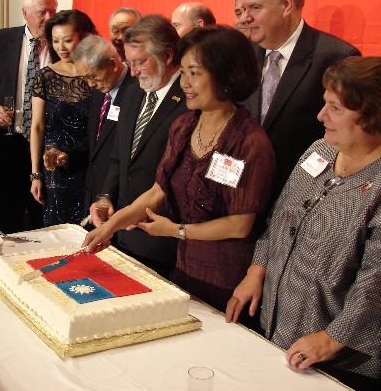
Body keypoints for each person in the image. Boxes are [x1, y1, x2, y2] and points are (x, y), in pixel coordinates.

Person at [226, 56, 381, 390]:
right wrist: (256, 270)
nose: (321, 115)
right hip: (278, 326)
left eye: (335, 108)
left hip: (336, 356)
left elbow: (380, 280)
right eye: (324, 103)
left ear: (374, 114)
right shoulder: (321, 150)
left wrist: (333, 338)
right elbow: (280, 217)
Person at [83, 25, 275, 313]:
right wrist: (110, 227)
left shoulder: (248, 141)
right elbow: (158, 191)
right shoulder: (184, 126)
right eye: (183, 72)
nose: (185, 83)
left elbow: (239, 225)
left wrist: (176, 230)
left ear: (226, 77)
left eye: (194, 73)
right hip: (183, 266)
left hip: (225, 276)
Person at [238, 0, 360, 209]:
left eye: (254, 8)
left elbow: (346, 141)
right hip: (240, 198)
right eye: (243, 9)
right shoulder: (242, 54)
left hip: (300, 201)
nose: (245, 18)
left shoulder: (337, 56)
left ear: (286, 4)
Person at [88, 14, 189, 277]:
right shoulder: (133, 92)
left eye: (141, 62)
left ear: (168, 55)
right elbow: (119, 156)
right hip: (123, 234)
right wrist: (105, 197)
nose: (133, 72)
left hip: (164, 238)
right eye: (129, 63)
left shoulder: (190, 99)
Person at [0, 0, 57, 234]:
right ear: (25, 13)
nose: (49, 18)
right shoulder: (1, 39)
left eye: (53, 11)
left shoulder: (62, 44)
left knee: (42, 225)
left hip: (47, 148)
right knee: (6, 224)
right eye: (42, 12)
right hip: (7, 145)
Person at [43, 36, 136, 219]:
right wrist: (69, 156)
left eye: (92, 76)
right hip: (94, 193)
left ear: (113, 64)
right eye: (85, 78)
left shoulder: (137, 91)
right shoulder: (99, 91)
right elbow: (94, 140)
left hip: (120, 198)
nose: (90, 84)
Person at [30, 10, 98, 226]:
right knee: (56, 230)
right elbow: (37, 127)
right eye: (56, 41)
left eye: (67, 40)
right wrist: (35, 174)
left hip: (90, 164)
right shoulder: (45, 76)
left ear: (84, 37)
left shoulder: (96, 75)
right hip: (55, 167)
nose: (61, 47)